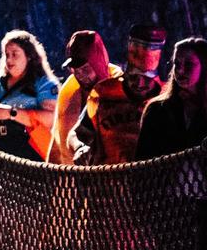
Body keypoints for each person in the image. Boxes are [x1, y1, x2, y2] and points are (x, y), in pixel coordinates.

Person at [69, 23, 166, 165]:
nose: (139, 84)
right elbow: (76, 134)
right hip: (111, 176)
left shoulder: (167, 98)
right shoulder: (103, 93)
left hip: (156, 176)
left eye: (147, 79)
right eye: (133, 77)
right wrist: (80, 148)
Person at [136, 37, 207, 159]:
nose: (180, 70)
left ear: (205, 67)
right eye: (177, 64)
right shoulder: (156, 109)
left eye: (189, 64)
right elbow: (142, 160)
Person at [0, 30, 59, 161]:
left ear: (29, 56)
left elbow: (52, 118)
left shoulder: (44, 83)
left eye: (15, 54)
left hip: (30, 156)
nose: (9, 59)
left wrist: (12, 113)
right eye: (6, 54)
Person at [47, 30, 120, 165]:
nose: (80, 75)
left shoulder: (120, 90)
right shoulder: (69, 90)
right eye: (75, 70)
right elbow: (57, 144)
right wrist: (48, 174)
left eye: (85, 69)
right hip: (73, 174)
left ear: (98, 64)